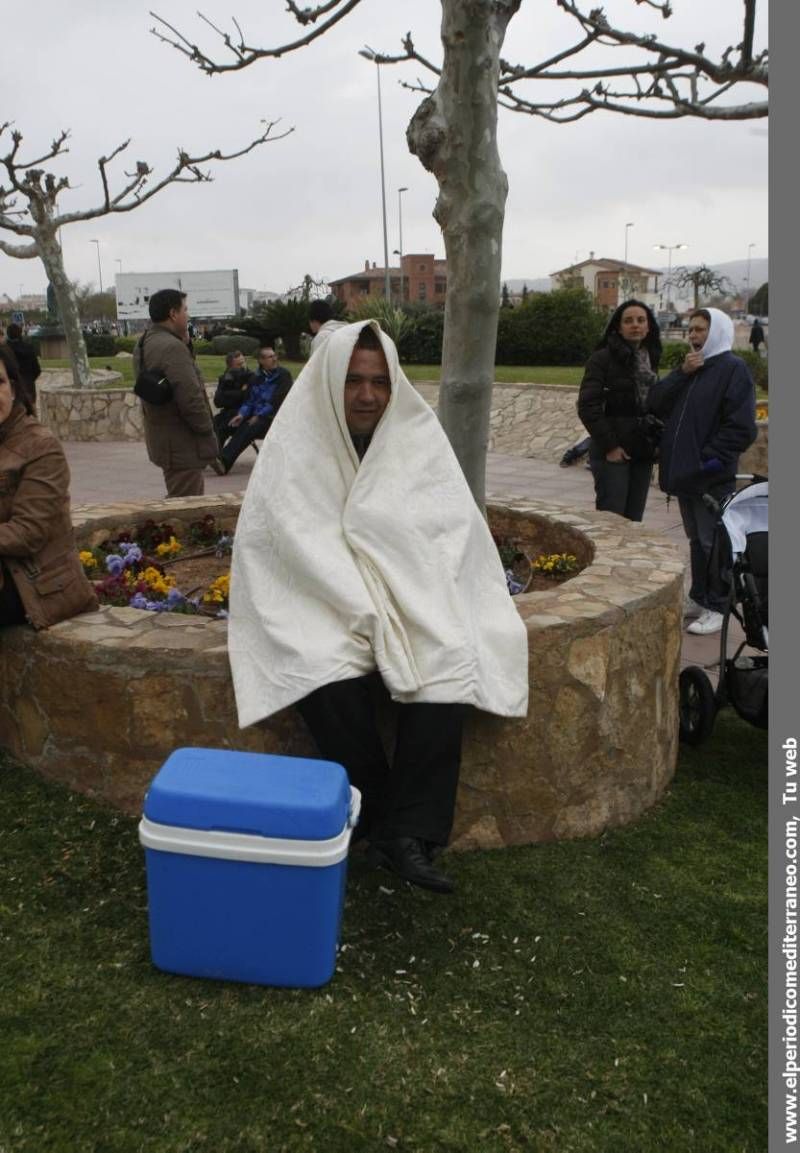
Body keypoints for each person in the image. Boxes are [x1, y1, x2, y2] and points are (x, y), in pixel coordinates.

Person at [228, 321, 529, 894]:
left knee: (447, 656)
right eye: (352, 382)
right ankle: (392, 820)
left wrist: (401, 597)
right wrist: (358, 602)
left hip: (406, 590)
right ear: (328, 383)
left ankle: (406, 835)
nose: (367, 396)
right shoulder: (296, 446)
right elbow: (284, 540)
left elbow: (444, 528)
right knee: (319, 669)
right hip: (320, 599)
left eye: (378, 382)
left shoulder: (415, 438)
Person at [648, 307, 757, 635]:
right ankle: (700, 596)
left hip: (709, 476)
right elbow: (655, 403)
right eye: (691, 330)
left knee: (714, 543)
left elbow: (741, 428)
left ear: (718, 332)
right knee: (696, 540)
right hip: (686, 476)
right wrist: (681, 372)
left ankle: (718, 605)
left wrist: (707, 461)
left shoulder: (733, 369)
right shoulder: (692, 368)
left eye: (701, 330)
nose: (694, 336)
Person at [0, 344, 98, 629]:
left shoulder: (41, 447)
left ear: (14, 389)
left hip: (33, 587)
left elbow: (28, 532)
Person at [577, 299, 663, 522]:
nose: (635, 325)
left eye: (640, 320)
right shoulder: (602, 359)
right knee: (612, 521)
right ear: (618, 326)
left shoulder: (650, 358)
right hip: (612, 453)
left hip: (642, 450)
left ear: (648, 326)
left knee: (634, 521)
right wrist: (611, 446)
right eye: (628, 321)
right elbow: (588, 406)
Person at [133, 289, 220, 497]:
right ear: (173, 314)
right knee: (187, 508)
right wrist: (208, 429)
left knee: (178, 498)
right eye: (185, 310)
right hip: (182, 444)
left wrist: (186, 343)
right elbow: (190, 398)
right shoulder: (172, 348)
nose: (188, 315)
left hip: (164, 439)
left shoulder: (145, 341)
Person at [219, 347, 292, 473]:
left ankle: (224, 461)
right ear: (261, 361)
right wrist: (241, 414)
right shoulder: (256, 378)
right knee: (226, 421)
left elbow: (275, 402)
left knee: (249, 427)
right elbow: (250, 400)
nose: (274, 359)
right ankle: (210, 456)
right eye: (270, 357)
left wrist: (258, 416)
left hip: (272, 417)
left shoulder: (283, 376)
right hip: (255, 414)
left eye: (274, 356)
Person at [213, 350, 254, 452]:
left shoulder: (251, 376)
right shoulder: (226, 377)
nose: (243, 366)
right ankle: (211, 455)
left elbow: (249, 398)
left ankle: (219, 457)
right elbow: (218, 402)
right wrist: (240, 392)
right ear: (230, 367)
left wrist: (229, 396)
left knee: (222, 428)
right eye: (239, 364)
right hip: (228, 412)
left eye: (244, 362)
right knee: (209, 425)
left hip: (245, 414)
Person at [5, 323, 41, 409]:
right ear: (20, 333)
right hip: (29, 386)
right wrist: (30, 379)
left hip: (12, 389)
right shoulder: (29, 348)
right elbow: (37, 369)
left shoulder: (5, 351)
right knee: (31, 416)